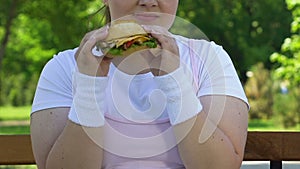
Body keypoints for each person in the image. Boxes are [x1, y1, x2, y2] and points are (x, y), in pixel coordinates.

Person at [30, 0, 250, 169]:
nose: (148, 0)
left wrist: (174, 80)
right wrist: (88, 86)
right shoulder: (63, 68)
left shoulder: (209, 58)